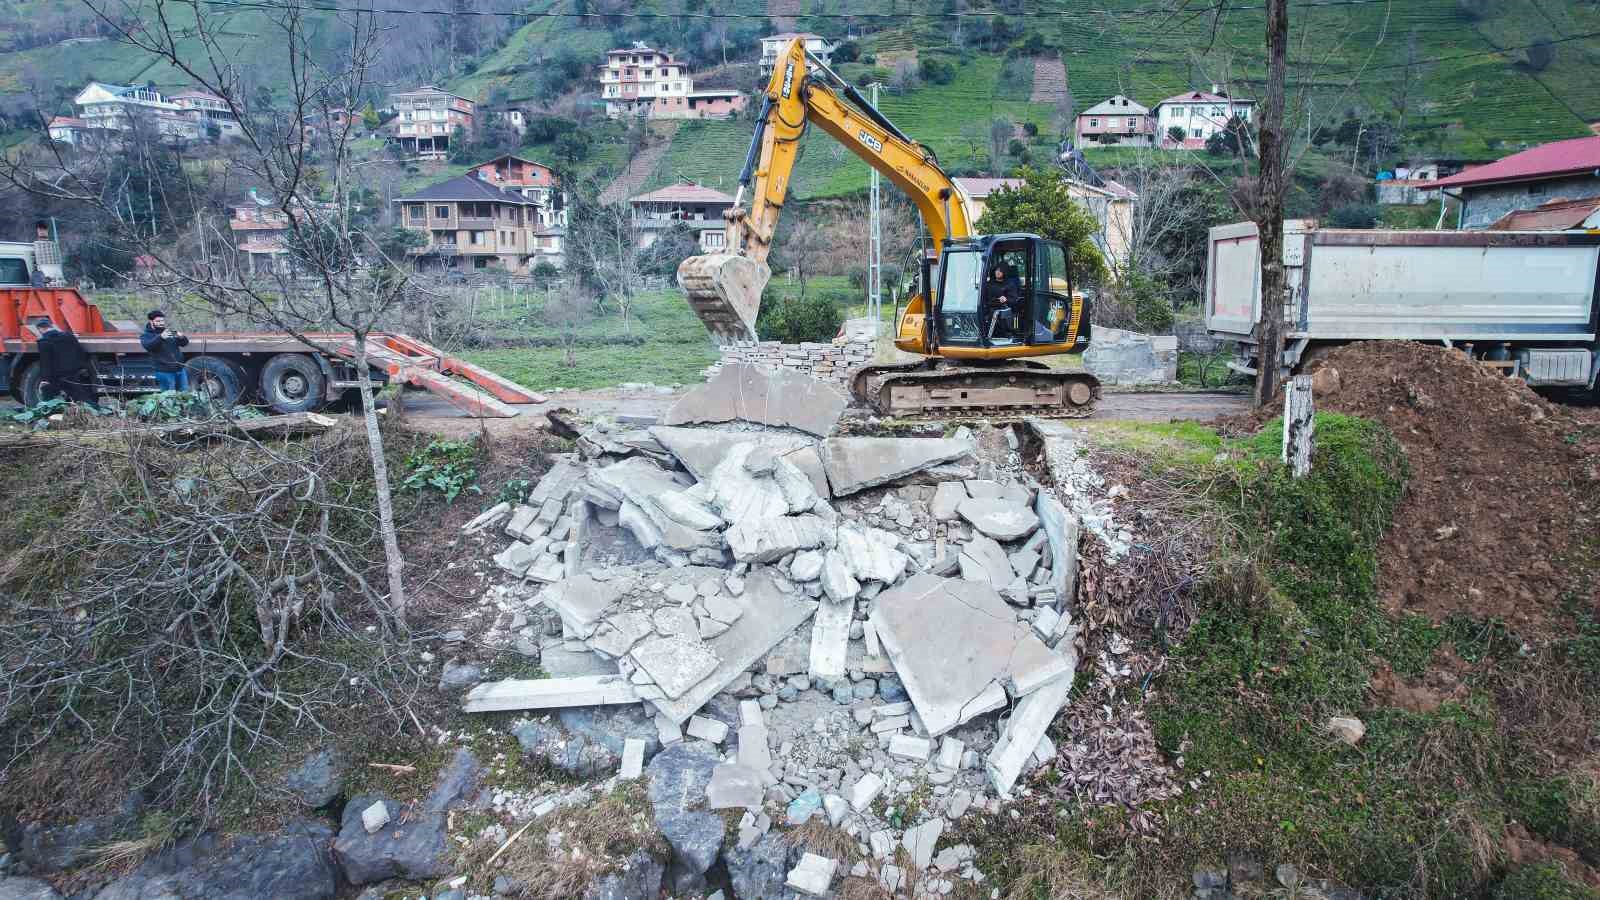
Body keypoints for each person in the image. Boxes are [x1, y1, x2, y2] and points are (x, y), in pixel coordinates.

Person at [36, 320, 100, 406]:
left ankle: (46, 412)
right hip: (73, 372)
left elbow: (45, 362)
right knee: (79, 396)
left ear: (40, 329)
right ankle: (94, 409)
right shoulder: (69, 336)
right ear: (51, 326)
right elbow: (80, 352)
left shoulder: (44, 342)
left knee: (47, 395)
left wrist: (45, 379)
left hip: (57, 376)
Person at [140, 309, 190, 392]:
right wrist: (161, 337)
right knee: (169, 396)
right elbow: (149, 346)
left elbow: (184, 344)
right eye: (158, 321)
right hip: (164, 372)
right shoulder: (146, 335)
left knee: (184, 394)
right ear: (151, 322)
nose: (161, 323)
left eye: (162, 320)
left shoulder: (168, 332)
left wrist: (182, 337)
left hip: (180, 370)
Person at [983, 264, 1023, 340]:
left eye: (1000, 270)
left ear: (1005, 272)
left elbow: (1014, 300)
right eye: (997, 270)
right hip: (988, 307)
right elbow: (984, 297)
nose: (998, 272)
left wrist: (1006, 299)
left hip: (1003, 310)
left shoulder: (1010, 284)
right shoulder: (989, 284)